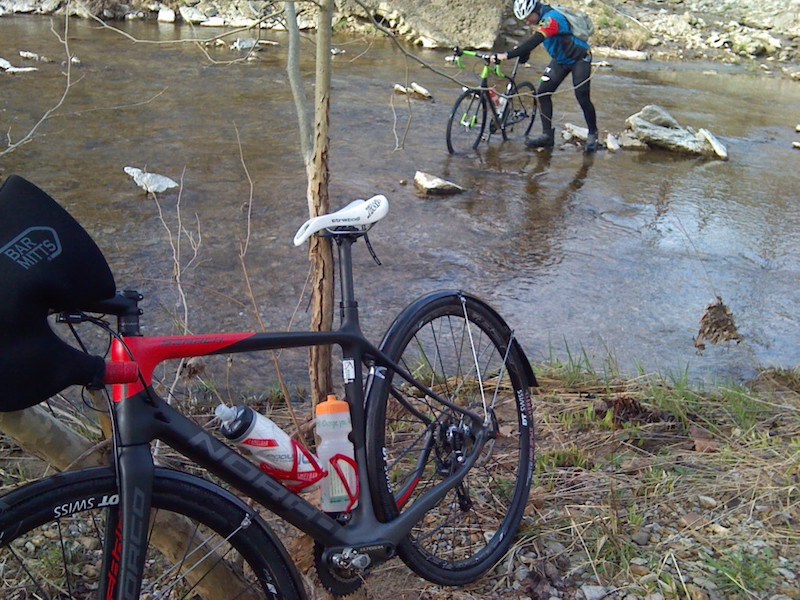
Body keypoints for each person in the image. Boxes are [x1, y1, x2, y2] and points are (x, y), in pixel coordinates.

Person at [492, 0, 599, 152]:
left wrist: (507, 55)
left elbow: (535, 41)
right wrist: (524, 53)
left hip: (579, 58)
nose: (527, 22)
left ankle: (593, 133)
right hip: (561, 60)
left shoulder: (552, 19)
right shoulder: (542, 20)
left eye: (528, 17)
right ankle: (547, 136)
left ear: (536, 10)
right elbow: (538, 40)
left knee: (581, 96)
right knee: (542, 93)